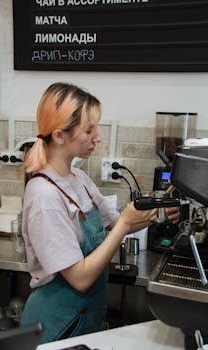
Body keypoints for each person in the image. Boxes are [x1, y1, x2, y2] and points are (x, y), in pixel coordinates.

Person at [20, 82, 179, 343]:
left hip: (85, 320)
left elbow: (116, 221)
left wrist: (158, 210)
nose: (98, 138)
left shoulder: (79, 178)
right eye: (89, 130)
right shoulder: (44, 195)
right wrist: (125, 225)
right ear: (60, 136)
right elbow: (80, 278)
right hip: (57, 327)